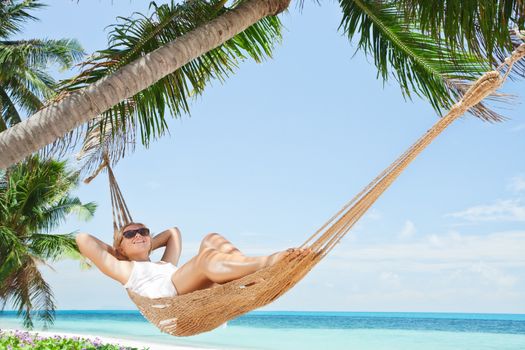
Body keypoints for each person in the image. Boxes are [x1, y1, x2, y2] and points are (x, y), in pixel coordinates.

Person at [75, 223, 290, 298]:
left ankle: (246, 273)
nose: (138, 235)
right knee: (206, 258)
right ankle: (266, 263)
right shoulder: (123, 268)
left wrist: (145, 244)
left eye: (143, 231)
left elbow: (173, 232)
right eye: (130, 234)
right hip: (170, 295)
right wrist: (118, 252)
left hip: (190, 283)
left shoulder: (163, 264)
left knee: (211, 238)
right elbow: (82, 239)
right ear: (120, 247)